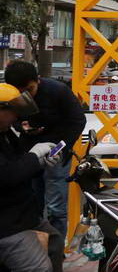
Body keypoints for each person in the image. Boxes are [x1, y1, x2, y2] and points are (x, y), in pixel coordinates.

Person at [4, 61, 86, 238]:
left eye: (30, 90)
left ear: (38, 80)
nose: (26, 96)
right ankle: (37, 243)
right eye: (20, 93)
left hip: (56, 154)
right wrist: (22, 127)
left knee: (56, 207)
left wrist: (58, 149)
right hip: (29, 154)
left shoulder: (59, 91)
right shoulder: (9, 97)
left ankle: (57, 247)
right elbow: (11, 119)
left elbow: (78, 121)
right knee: (32, 201)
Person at [0, 83, 64, 272]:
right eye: (13, 112)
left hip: (22, 214)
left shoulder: (7, 133)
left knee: (55, 241)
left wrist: (40, 163)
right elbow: (7, 175)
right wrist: (33, 157)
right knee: (39, 268)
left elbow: (19, 166)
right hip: (7, 224)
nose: (16, 117)